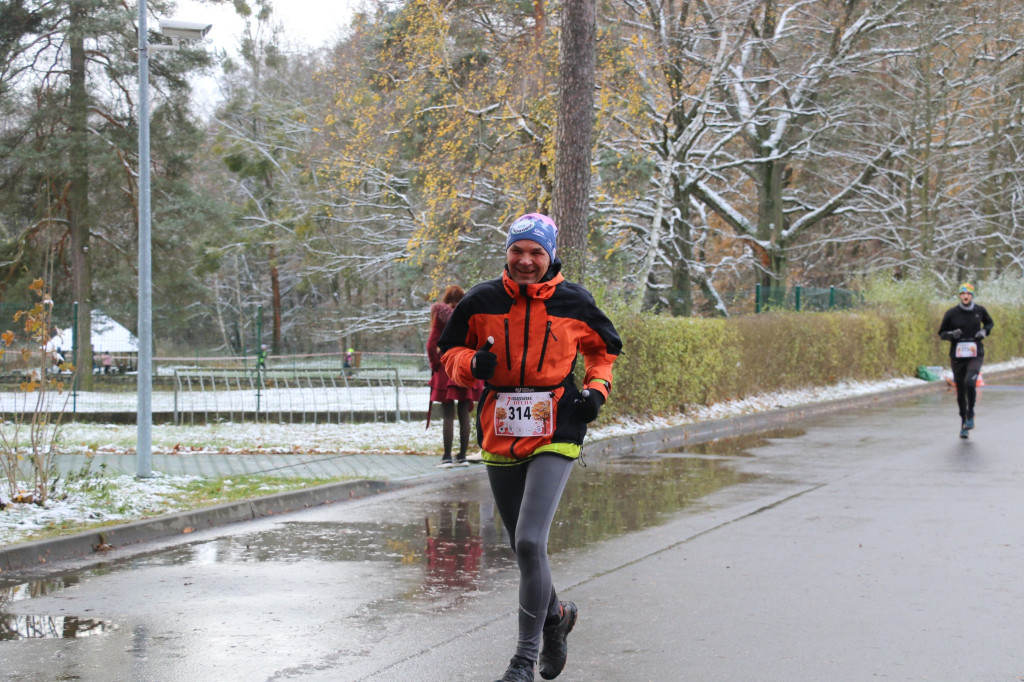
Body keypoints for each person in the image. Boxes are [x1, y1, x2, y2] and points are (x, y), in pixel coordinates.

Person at [439, 213, 622, 682]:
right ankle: (557, 616)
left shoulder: (574, 301)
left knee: (528, 540)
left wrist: (596, 391)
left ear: (550, 255)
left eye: (536, 252)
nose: (525, 260)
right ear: (507, 252)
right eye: (517, 251)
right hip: (500, 425)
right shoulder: (481, 300)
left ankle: (523, 658)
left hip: (557, 422)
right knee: (522, 547)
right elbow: (449, 352)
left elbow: (603, 351)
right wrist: (472, 364)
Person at [427, 286, 484, 467]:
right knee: (464, 413)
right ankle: (462, 457)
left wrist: (436, 364)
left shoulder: (441, 316)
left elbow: (431, 344)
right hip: (466, 366)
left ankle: (446, 457)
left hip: (446, 367)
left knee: (448, 415)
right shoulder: (471, 313)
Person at [938, 282, 994, 438]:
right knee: (961, 389)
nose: (965, 296)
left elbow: (989, 323)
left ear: (972, 295)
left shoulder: (980, 311)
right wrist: (951, 335)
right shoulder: (951, 313)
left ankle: (971, 412)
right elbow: (942, 333)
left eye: (968, 293)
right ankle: (964, 422)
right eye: (963, 293)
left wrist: (984, 331)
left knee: (970, 382)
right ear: (959, 296)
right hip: (958, 355)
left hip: (975, 353)